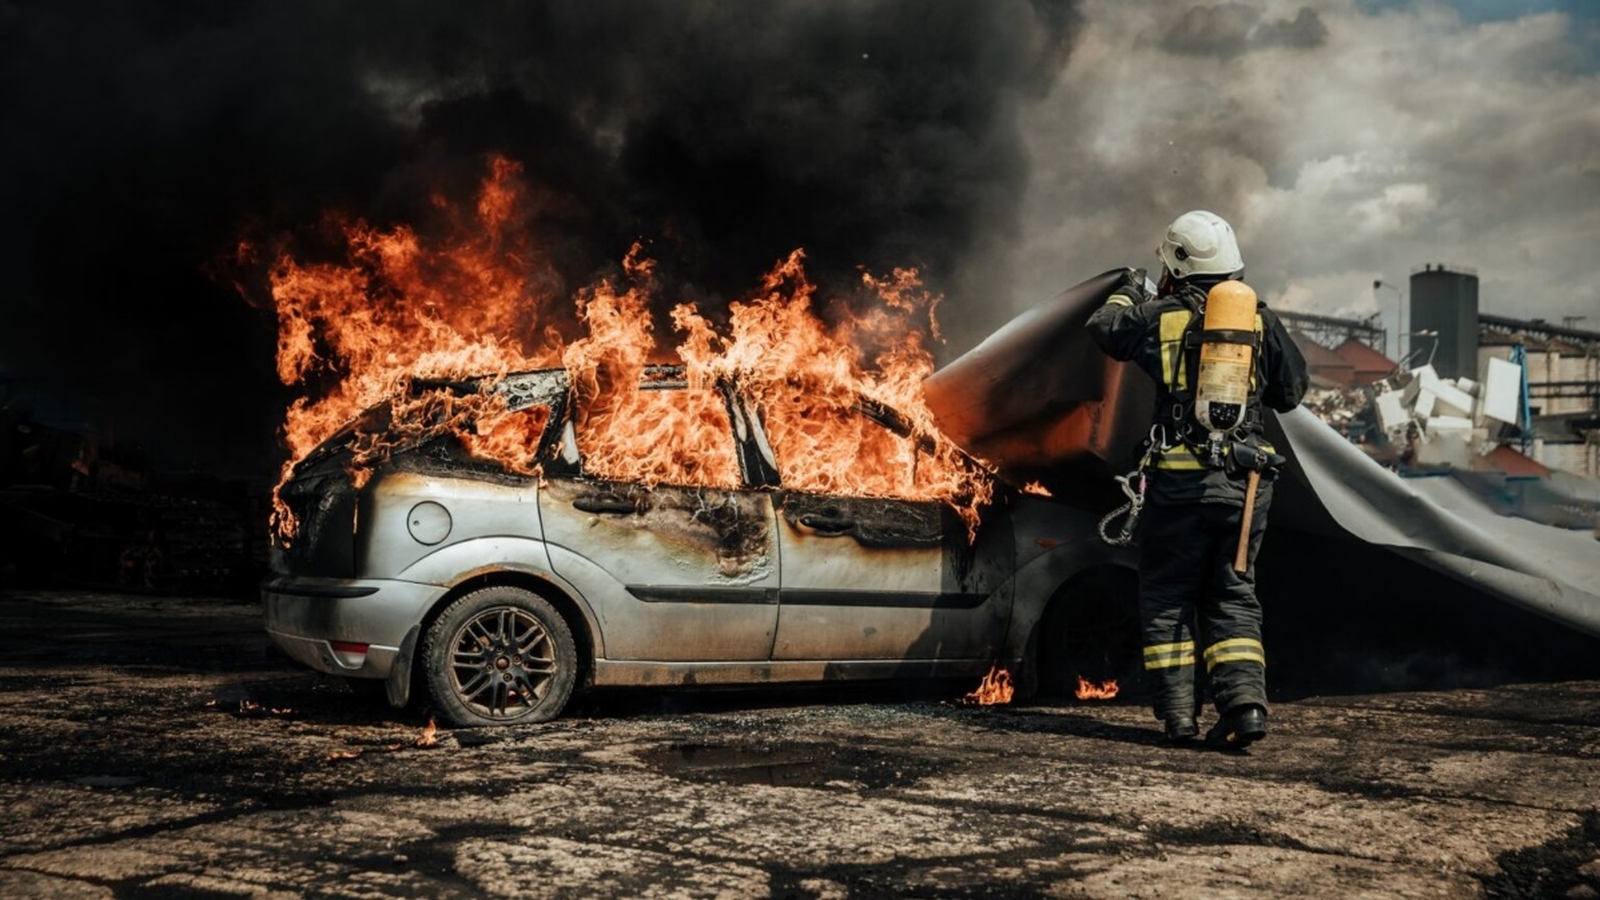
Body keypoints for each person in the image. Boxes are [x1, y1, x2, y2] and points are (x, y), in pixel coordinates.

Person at [1086, 210, 1308, 749]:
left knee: (1167, 595)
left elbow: (1103, 330)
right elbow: (1291, 391)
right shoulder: (1258, 319)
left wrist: (1127, 290)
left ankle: (1179, 718)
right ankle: (1246, 707)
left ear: (1177, 266)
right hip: (1245, 485)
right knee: (1233, 593)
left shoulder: (1157, 315)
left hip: (1178, 487)